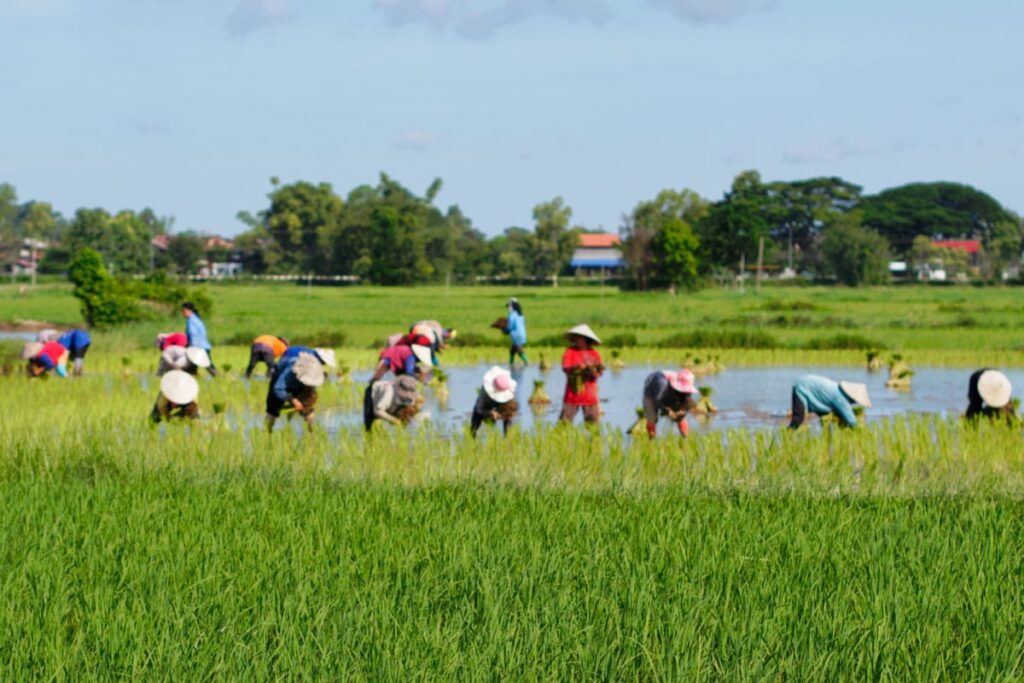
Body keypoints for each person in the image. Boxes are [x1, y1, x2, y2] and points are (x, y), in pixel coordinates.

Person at [265, 351, 326, 433]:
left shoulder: (313, 369)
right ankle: (267, 432)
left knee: (307, 409)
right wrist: (293, 400)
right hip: (279, 381)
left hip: (299, 384)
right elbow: (278, 389)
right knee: (272, 409)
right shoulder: (289, 371)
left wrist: (306, 400)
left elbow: (310, 390)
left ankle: (312, 434)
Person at [788, 375, 871, 429]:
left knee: (825, 421)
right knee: (799, 418)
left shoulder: (838, 390)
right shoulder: (840, 398)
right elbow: (851, 421)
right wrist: (860, 432)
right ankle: (788, 435)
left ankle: (826, 438)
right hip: (802, 388)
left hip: (809, 387)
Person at [560, 324, 603, 425]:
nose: (577, 340)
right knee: (564, 424)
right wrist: (577, 367)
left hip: (590, 395)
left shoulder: (594, 354)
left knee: (593, 426)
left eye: (579, 338)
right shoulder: (570, 352)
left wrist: (592, 371)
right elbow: (566, 368)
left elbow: (598, 373)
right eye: (576, 337)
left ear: (586, 339)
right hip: (572, 393)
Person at [642, 369, 698, 438]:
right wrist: (668, 411)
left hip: (669, 391)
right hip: (652, 388)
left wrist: (683, 410)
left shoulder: (687, 387)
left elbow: (688, 401)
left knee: (681, 419)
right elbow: (658, 401)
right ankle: (651, 441)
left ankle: (686, 440)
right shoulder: (662, 384)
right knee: (651, 417)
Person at [470, 366, 518, 437]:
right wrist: (489, 413)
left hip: (501, 405)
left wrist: (507, 414)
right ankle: (472, 438)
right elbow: (478, 408)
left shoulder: (509, 390)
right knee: (474, 425)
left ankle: (508, 440)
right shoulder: (485, 392)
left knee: (508, 417)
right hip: (486, 405)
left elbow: (511, 411)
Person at [182, 302, 216, 377]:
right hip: (203, 346)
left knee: (207, 365)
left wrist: (191, 347)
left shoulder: (191, 321)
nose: (183, 313)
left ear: (189, 311)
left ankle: (217, 377)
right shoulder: (195, 318)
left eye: (183, 311)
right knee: (195, 366)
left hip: (198, 347)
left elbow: (193, 335)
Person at [506, 298, 528, 366]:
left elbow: (510, 326)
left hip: (516, 335)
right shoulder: (520, 315)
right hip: (522, 334)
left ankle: (526, 362)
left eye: (509, 306)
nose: (508, 308)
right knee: (512, 350)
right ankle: (511, 363)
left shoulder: (512, 315)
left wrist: (506, 330)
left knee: (519, 350)